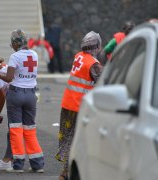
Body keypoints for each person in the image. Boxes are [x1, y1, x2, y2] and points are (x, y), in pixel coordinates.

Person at [0, 29, 44, 173]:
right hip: (31, 95)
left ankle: (18, 165)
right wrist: (4, 68)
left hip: (16, 95)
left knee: (16, 130)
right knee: (30, 129)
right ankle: (37, 164)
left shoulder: (15, 56)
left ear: (15, 44)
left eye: (12, 44)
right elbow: (22, 71)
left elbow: (9, 78)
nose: (12, 47)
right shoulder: (34, 54)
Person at [56, 31, 103, 180]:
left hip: (67, 104)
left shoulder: (78, 56)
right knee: (78, 139)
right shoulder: (93, 64)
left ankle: (65, 172)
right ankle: (68, 172)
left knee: (68, 138)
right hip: (79, 107)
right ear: (96, 46)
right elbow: (104, 82)